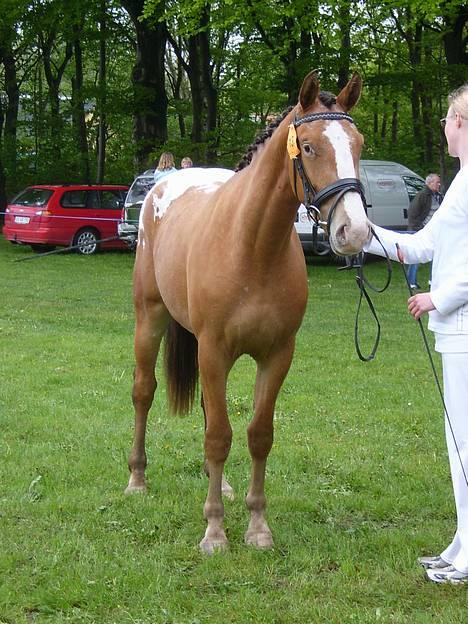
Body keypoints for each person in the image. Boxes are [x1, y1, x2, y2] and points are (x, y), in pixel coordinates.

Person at [364, 83, 468, 584]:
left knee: (466, 444)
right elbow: (424, 245)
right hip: (455, 331)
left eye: (448, 119)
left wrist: (439, 299)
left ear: (462, 123)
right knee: (457, 442)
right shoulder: (461, 181)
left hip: (464, 328)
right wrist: (366, 234)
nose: (442, 127)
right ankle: (460, 543)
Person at [406, 173, 443, 289]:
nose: (439, 184)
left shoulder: (439, 196)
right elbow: (412, 213)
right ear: (429, 183)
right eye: (437, 182)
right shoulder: (422, 195)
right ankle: (411, 282)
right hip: (420, 231)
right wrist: (417, 229)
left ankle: (432, 281)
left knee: (436, 256)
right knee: (416, 256)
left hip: (435, 232)